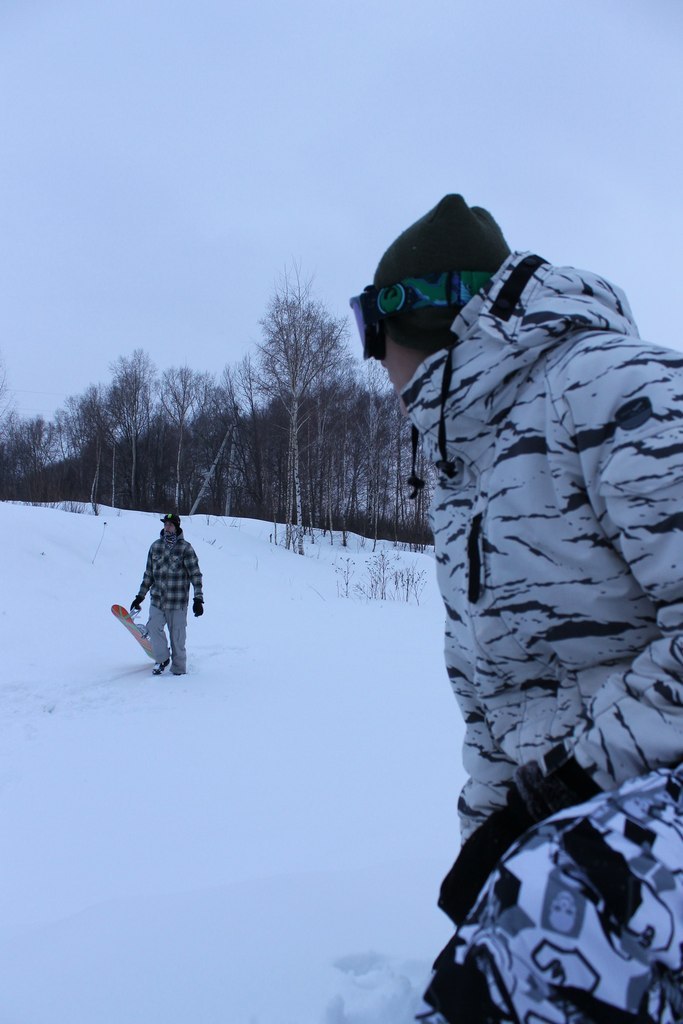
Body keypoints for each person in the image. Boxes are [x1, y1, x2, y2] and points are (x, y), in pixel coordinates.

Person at [350, 195, 683, 1023]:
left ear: (413, 319)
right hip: (580, 828)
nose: (370, 359)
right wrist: (488, 846)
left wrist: (570, 788)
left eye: (369, 328)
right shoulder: (465, 472)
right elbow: (498, 703)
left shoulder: (612, 388)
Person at [131, 512, 204, 676]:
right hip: (157, 600)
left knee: (178, 638)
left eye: (170, 524)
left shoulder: (186, 548)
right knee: (153, 627)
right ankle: (162, 659)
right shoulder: (155, 546)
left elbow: (195, 575)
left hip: (177, 602)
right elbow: (148, 574)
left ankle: (179, 672)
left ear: (177, 527)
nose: (167, 527)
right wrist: (140, 596)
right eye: (165, 524)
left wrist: (198, 599)